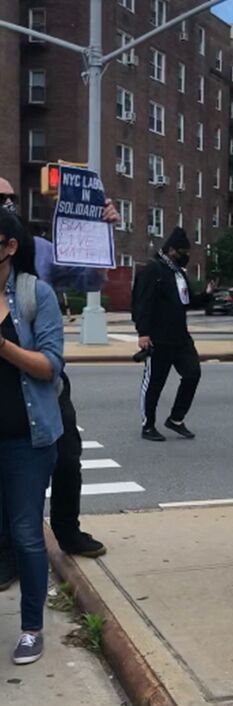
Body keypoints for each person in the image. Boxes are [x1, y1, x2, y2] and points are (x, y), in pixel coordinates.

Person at [0, 176, 117, 563]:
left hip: (45, 385)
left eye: (11, 198)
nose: (7, 204)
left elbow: (88, 277)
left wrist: (100, 234)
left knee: (67, 460)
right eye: (0, 199)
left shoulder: (45, 251)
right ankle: (8, 553)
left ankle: (68, 531)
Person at [0, 208, 64, 664]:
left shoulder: (34, 295)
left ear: (9, 247)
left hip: (27, 440)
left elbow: (49, 366)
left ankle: (30, 628)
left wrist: (2, 346)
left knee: (25, 533)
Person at [132, 226, 214, 441]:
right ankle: (147, 425)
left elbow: (188, 301)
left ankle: (176, 419)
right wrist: (143, 333)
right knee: (154, 383)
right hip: (158, 338)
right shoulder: (153, 270)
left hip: (181, 338)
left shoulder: (179, 273)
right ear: (171, 251)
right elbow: (142, 302)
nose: (186, 257)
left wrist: (206, 295)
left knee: (192, 373)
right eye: (183, 252)